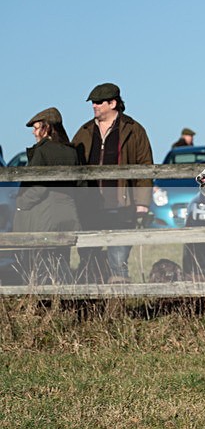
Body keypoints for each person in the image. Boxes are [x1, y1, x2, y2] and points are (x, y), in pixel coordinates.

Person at [72, 82, 154, 284]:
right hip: (90, 207)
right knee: (88, 258)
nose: (94, 106)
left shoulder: (134, 130)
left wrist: (142, 203)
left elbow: (145, 167)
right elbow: (72, 163)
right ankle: (91, 309)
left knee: (118, 261)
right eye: (93, 102)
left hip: (122, 207)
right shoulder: (84, 131)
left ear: (113, 103)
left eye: (99, 102)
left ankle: (118, 306)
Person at [13, 107, 81, 284]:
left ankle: (43, 305)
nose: (35, 133)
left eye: (37, 128)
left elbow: (38, 187)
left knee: (40, 264)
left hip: (43, 216)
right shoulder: (72, 151)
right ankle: (64, 301)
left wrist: (20, 203)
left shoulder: (42, 151)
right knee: (62, 261)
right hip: (68, 215)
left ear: (47, 128)